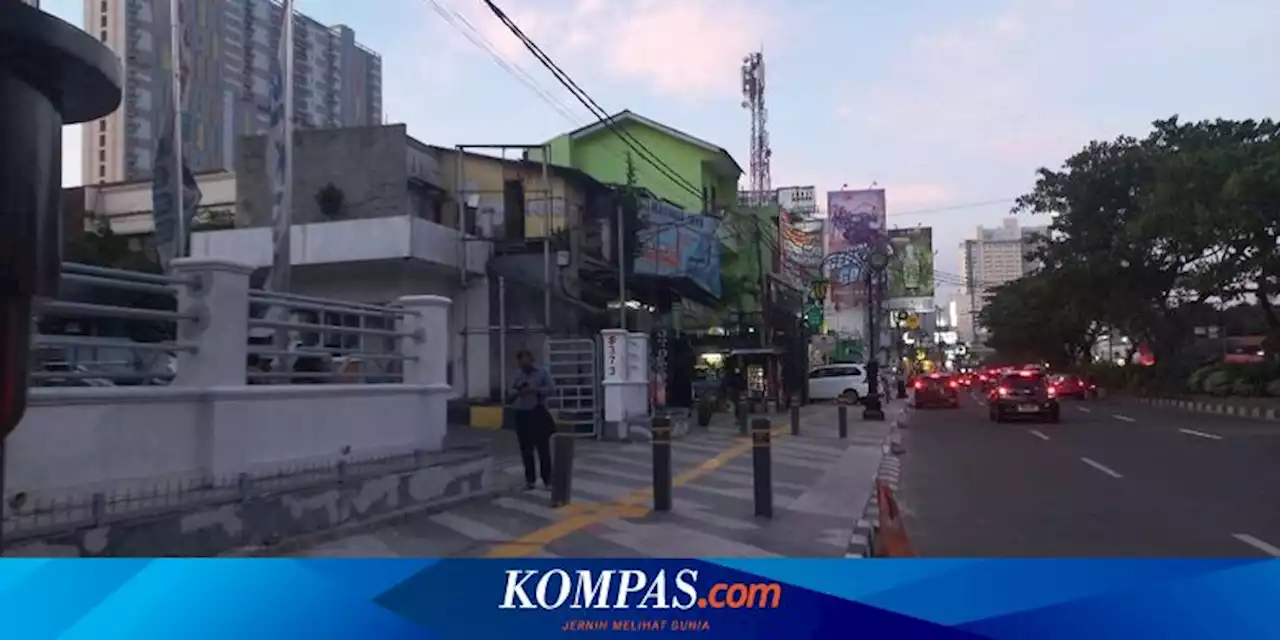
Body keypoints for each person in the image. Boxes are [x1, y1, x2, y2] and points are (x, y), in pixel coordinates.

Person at [510, 349, 555, 490]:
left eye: (526, 359)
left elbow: (552, 388)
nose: (523, 363)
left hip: (538, 412)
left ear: (531, 359)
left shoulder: (542, 372)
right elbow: (509, 392)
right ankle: (530, 481)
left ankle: (547, 480)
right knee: (526, 449)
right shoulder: (517, 374)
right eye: (521, 360)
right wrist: (520, 391)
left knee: (543, 449)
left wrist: (536, 390)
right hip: (522, 414)